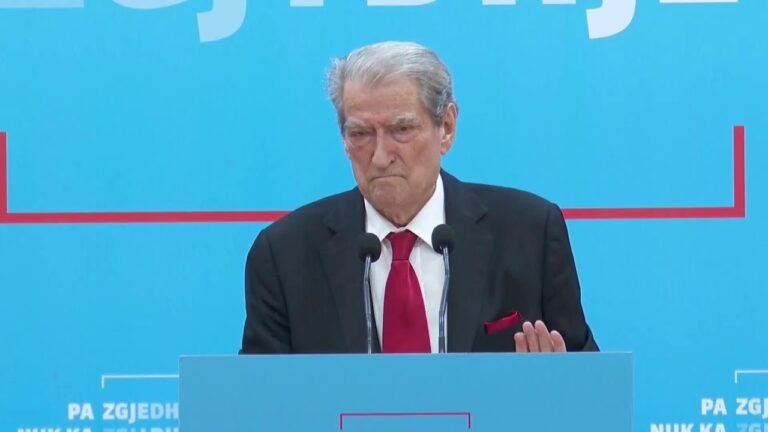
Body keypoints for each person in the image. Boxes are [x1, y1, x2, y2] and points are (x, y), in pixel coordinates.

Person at [240, 41, 598, 354]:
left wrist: (555, 385)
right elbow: (258, 397)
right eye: (361, 134)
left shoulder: (531, 233)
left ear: (447, 127)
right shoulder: (285, 254)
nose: (380, 156)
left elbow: (589, 385)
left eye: (402, 129)